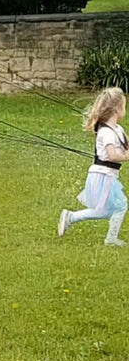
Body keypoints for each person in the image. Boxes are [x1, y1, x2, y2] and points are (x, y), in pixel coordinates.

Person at [58, 86, 129, 246]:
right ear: (117, 109)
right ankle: (108, 238)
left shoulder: (117, 129)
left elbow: (126, 142)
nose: (125, 110)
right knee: (118, 206)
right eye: (124, 106)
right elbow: (112, 155)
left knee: (109, 209)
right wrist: (126, 156)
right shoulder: (107, 132)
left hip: (107, 175)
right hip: (103, 176)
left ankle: (72, 217)